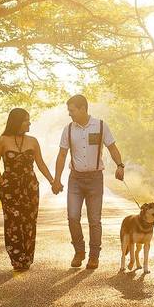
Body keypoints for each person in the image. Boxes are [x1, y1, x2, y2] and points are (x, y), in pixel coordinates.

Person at [52, 94, 126, 270]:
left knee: (94, 220)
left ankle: (94, 256)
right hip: (75, 179)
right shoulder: (68, 129)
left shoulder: (100, 126)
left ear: (83, 109)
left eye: (72, 110)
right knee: (72, 217)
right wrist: (56, 179)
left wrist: (120, 165)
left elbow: (112, 147)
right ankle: (79, 252)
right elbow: (62, 154)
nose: (69, 114)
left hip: (95, 179)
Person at [0, 108, 57, 271]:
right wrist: (3, 182)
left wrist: (52, 181)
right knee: (13, 223)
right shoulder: (2, 141)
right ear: (17, 121)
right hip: (10, 189)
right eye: (26, 120)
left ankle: (27, 257)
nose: (29, 123)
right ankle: (16, 259)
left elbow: (40, 163)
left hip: (30, 188)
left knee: (29, 223)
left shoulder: (33, 141)